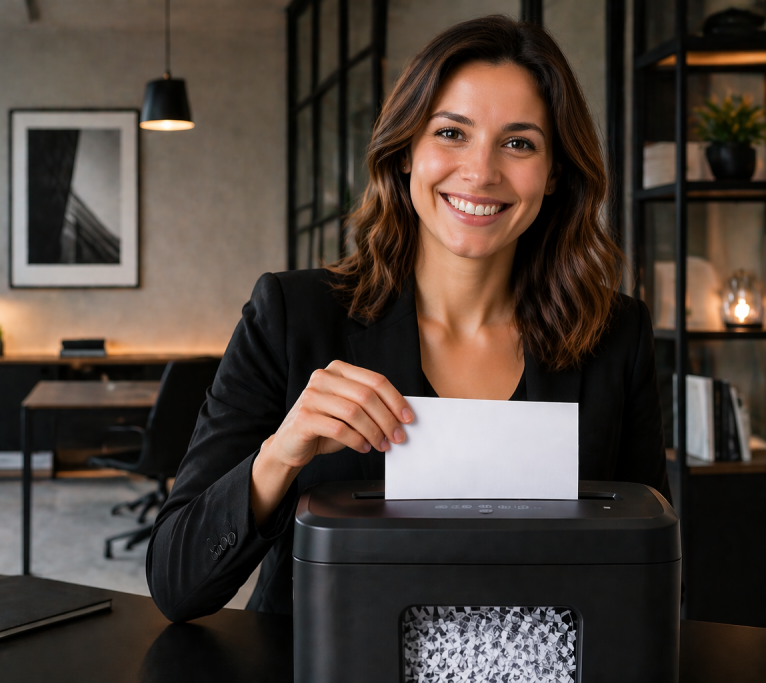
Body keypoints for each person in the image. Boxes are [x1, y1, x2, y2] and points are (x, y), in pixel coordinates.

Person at [147, 15, 669, 624]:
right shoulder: (292, 317)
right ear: (405, 152)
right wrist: (279, 457)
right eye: (451, 132)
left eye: (519, 142)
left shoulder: (616, 334)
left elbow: (653, 573)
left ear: (553, 173)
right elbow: (176, 582)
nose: (480, 172)